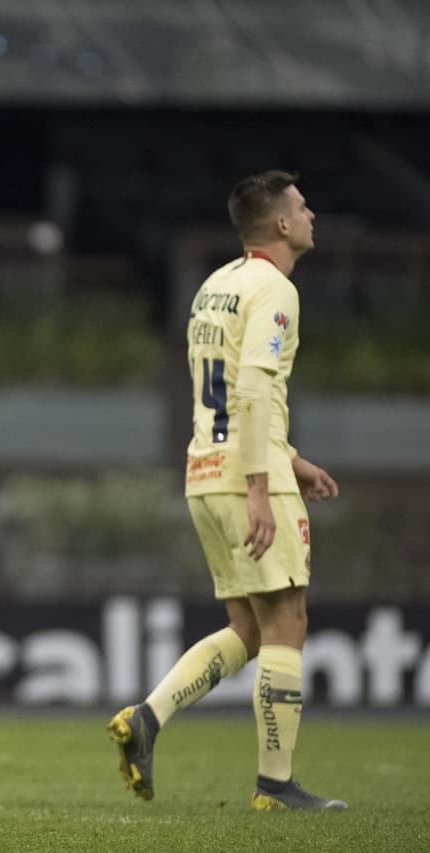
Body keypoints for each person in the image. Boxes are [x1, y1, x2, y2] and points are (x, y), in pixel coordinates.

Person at [108, 171, 345, 812]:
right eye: (302, 205)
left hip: (206, 472)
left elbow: (219, 397)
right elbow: (251, 389)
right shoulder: (275, 289)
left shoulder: (215, 286)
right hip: (247, 481)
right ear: (282, 225)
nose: (311, 211)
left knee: (246, 627)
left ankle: (148, 717)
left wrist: (291, 460)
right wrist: (265, 486)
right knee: (286, 623)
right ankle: (275, 786)